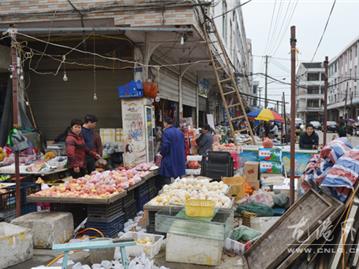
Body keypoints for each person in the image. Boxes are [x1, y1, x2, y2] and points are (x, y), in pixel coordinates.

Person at [159, 117, 186, 184]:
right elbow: (184, 145)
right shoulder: (180, 132)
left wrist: (161, 153)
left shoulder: (166, 132)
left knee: (166, 176)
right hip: (179, 157)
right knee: (178, 179)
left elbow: (165, 146)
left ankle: (168, 189)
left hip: (170, 158)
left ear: (165, 123)